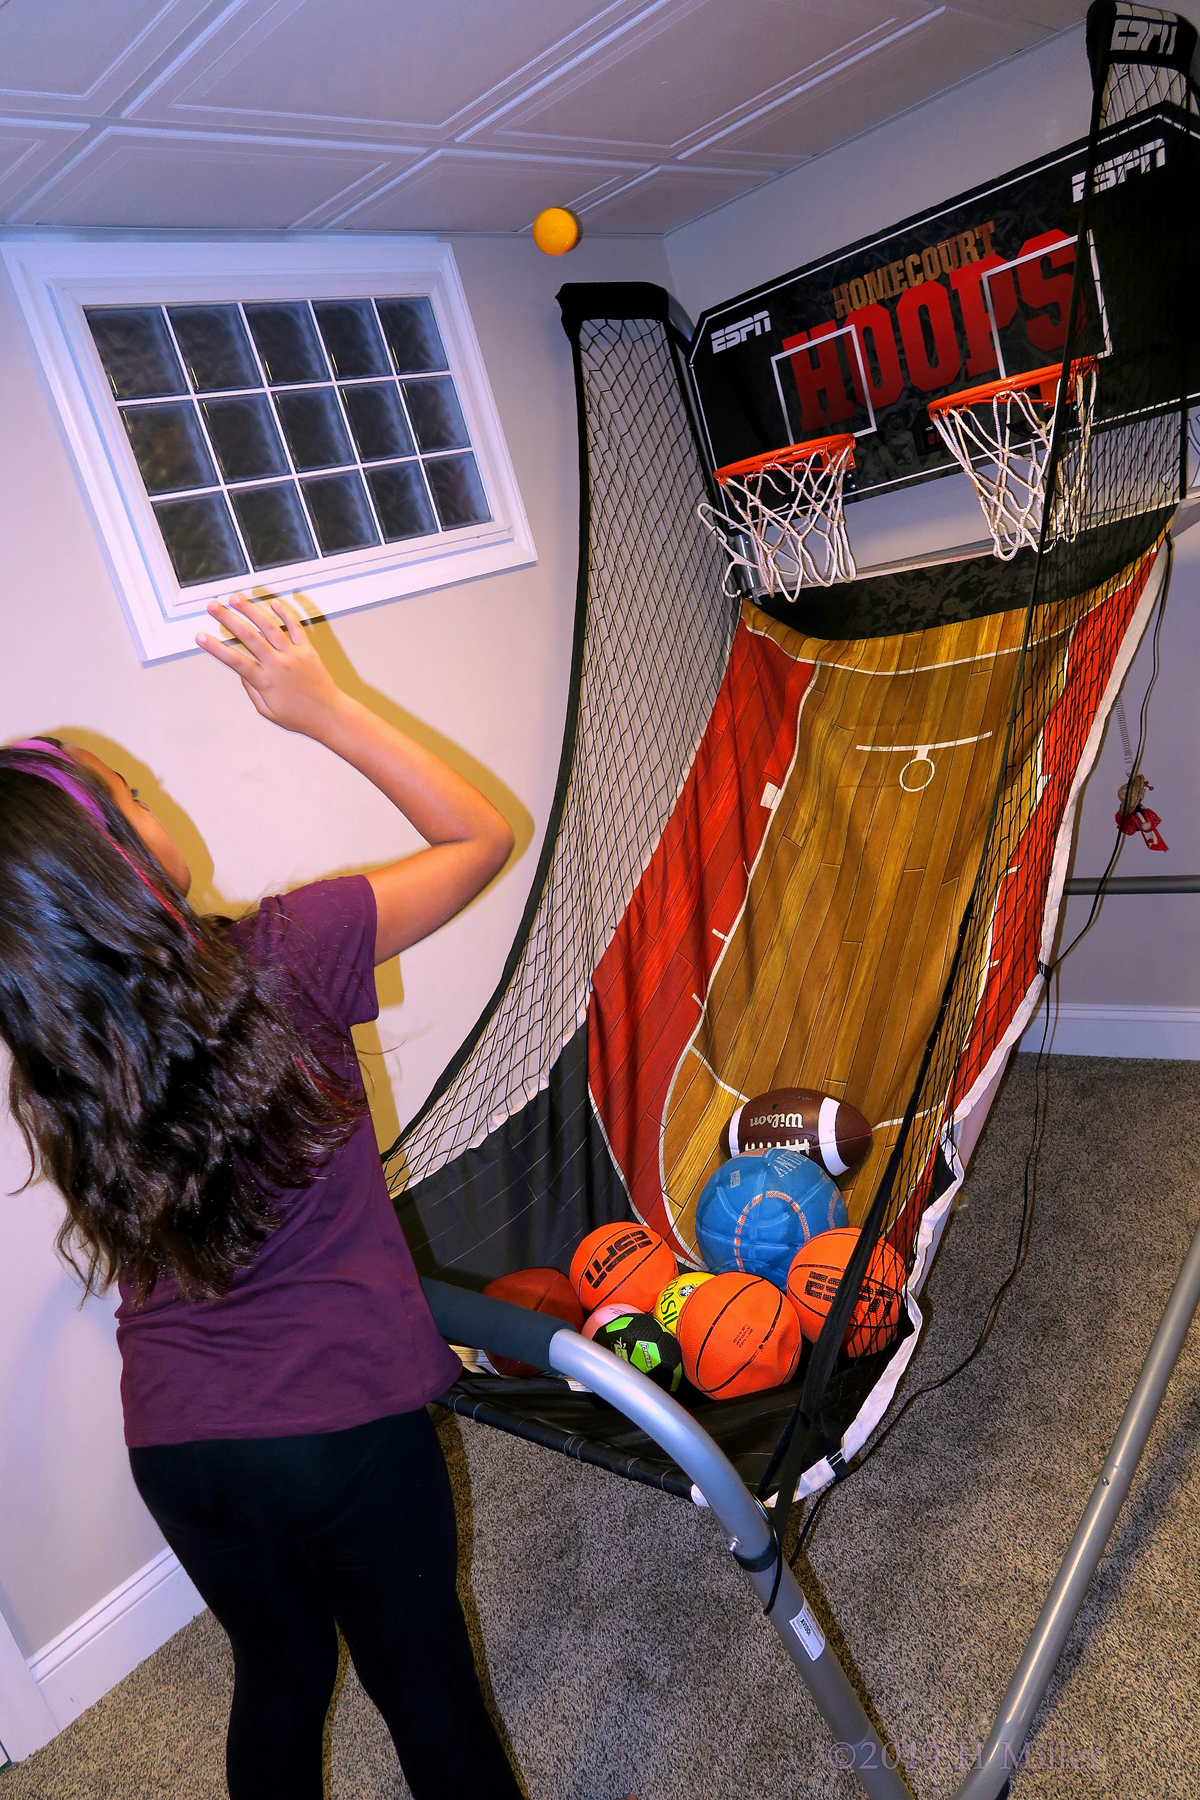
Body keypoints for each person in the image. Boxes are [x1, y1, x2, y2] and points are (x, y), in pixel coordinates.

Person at [0, 594, 524, 1799]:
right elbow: (481, 836)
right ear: (115, 862)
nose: (155, 796)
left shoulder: (61, 1053)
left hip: (179, 1444)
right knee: (425, 1690)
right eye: (128, 793)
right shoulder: (297, 946)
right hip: (341, 1427)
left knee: (279, 1677)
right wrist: (325, 710)